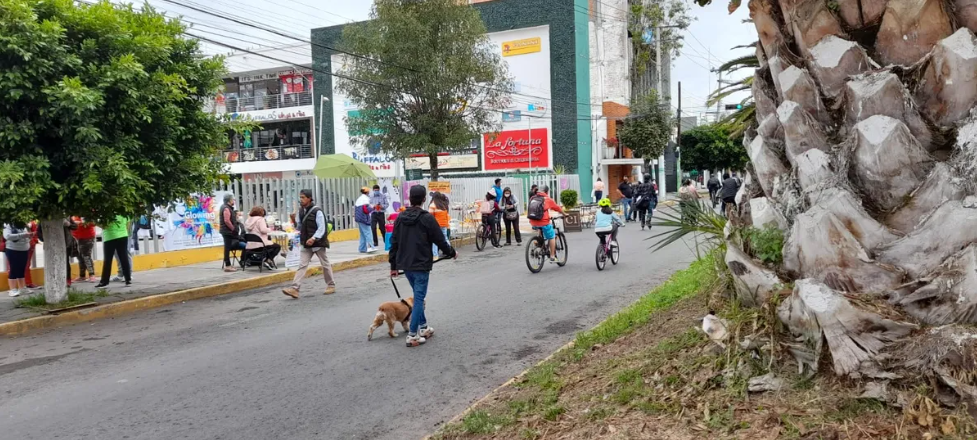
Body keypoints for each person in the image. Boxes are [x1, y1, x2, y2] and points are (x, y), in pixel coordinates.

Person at [388, 185, 457, 348]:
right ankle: (412, 335)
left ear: (410, 199)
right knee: (419, 298)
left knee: (418, 296)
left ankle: (424, 327)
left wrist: (393, 265)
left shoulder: (401, 217)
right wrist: (452, 252)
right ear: (424, 199)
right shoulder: (426, 218)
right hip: (421, 264)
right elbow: (440, 239)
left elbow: (394, 242)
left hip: (406, 265)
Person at [282, 189, 336, 298]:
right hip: (305, 243)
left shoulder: (317, 211)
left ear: (309, 198)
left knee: (325, 264)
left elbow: (322, 227)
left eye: (303, 197)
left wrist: (314, 238)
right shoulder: (301, 211)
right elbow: (300, 227)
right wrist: (293, 220)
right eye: (300, 197)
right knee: (302, 265)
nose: (301, 200)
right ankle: (295, 288)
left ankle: (331, 285)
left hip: (317, 243)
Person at [527, 185, 564, 262]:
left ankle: (538, 242)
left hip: (532, 221)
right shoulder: (547, 199)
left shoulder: (532, 198)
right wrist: (565, 214)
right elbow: (557, 208)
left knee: (540, 229)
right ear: (547, 192)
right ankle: (552, 256)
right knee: (552, 236)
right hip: (543, 222)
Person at [95, 215, 132, 288]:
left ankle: (104, 281)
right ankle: (128, 279)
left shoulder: (108, 212)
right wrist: (123, 232)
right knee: (124, 258)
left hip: (110, 237)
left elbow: (104, 226)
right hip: (123, 235)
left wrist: (95, 222)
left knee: (108, 260)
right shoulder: (125, 212)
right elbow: (128, 224)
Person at [4, 222, 32, 297]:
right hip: (13, 249)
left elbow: (26, 235)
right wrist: (23, 235)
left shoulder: (24, 225)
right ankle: (12, 289)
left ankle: (22, 288)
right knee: (14, 269)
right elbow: (7, 236)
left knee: (22, 269)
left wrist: (29, 236)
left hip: (24, 249)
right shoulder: (8, 224)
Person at [219, 193, 245, 272]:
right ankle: (228, 265)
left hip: (227, 231)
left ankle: (228, 265)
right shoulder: (226, 208)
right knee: (227, 248)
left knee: (227, 248)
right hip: (227, 232)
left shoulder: (226, 207)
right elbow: (227, 220)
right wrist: (233, 228)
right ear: (229, 200)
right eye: (233, 199)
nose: (233, 201)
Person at [72, 216, 97, 282]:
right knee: (80, 257)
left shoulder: (87, 212)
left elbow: (93, 223)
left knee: (86, 256)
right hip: (76, 237)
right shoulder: (73, 212)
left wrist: (79, 223)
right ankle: (82, 275)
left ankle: (92, 274)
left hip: (87, 237)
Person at [428, 192, 451, 256]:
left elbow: (430, 216)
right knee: (445, 238)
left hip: (436, 225)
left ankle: (435, 255)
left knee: (434, 240)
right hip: (444, 224)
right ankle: (450, 252)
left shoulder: (432, 205)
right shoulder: (443, 205)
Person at [354, 186, 375, 253]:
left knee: (363, 234)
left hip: (359, 218)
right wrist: (373, 207)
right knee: (368, 233)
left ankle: (362, 248)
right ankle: (371, 247)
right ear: (367, 192)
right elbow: (367, 210)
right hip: (364, 218)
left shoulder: (360, 199)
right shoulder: (365, 199)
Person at [369, 184, 389, 249]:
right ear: (373, 190)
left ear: (379, 190)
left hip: (381, 213)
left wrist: (381, 206)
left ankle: (385, 240)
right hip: (374, 213)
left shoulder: (383, 196)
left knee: (382, 228)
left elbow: (387, 204)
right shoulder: (371, 196)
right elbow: (369, 205)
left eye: (377, 190)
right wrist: (373, 206)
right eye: (375, 190)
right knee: (373, 227)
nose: (376, 191)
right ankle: (375, 242)